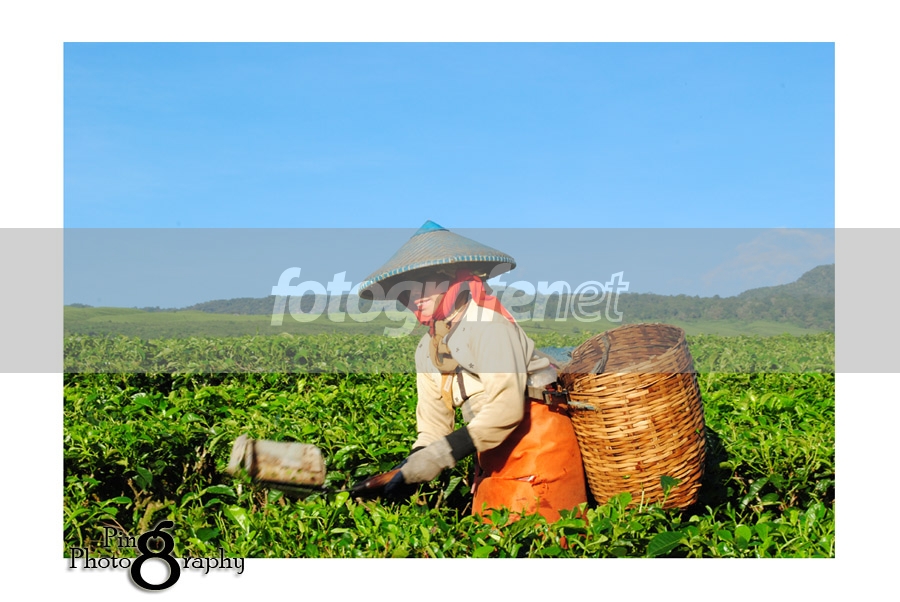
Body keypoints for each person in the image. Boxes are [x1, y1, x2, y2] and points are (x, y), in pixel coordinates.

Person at [357, 220, 587, 522]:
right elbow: (434, 425)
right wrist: (409, 467)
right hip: (490, 454)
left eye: (425, 284)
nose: (415, 297)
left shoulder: (489, 325)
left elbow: (506, 409)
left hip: (539, 443)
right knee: (491, 538)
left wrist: (439, 456)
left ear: (452, 280)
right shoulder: (426, 349)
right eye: (407, 291)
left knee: (543, 536)